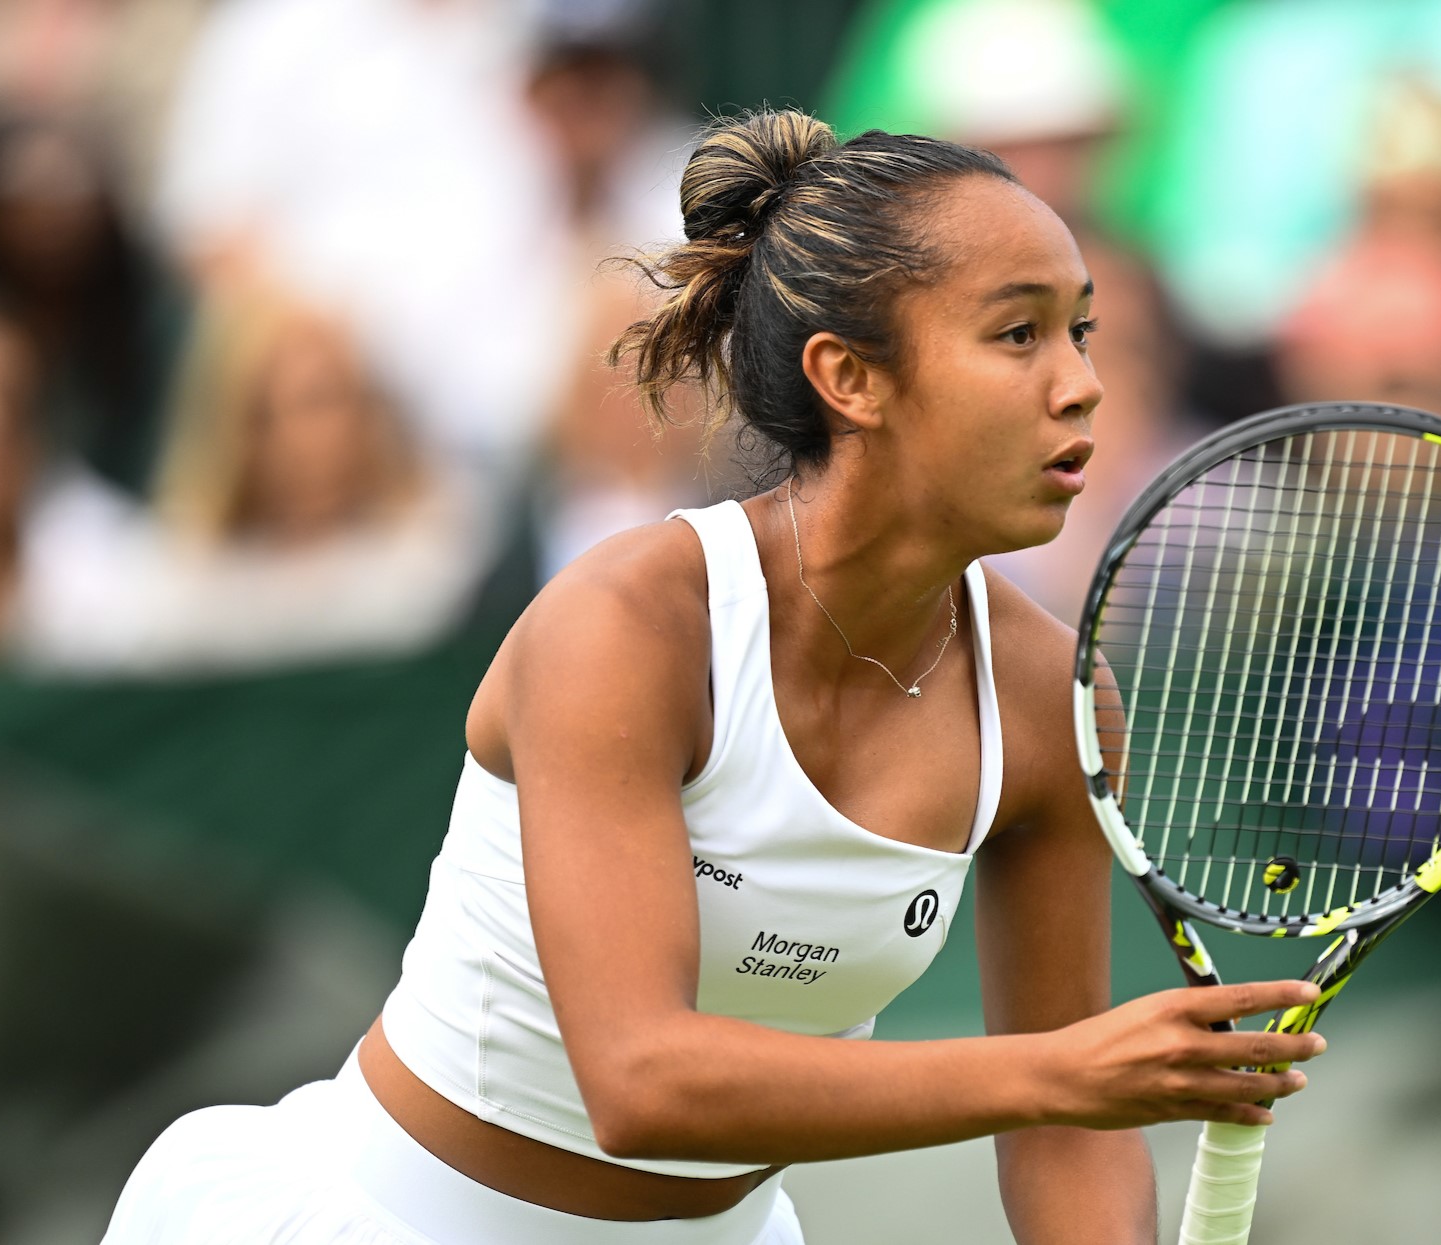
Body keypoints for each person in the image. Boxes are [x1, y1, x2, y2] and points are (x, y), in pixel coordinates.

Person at [102, 110, 1326, 1243]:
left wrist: (1074, 1100)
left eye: (1081, 329)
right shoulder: (628, 625)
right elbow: (641, 1082)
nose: (1081, 382)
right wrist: (1062, 1070)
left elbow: (1064, 1134)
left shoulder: (1048, 699)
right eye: (1016, 334)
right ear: (849, 379)